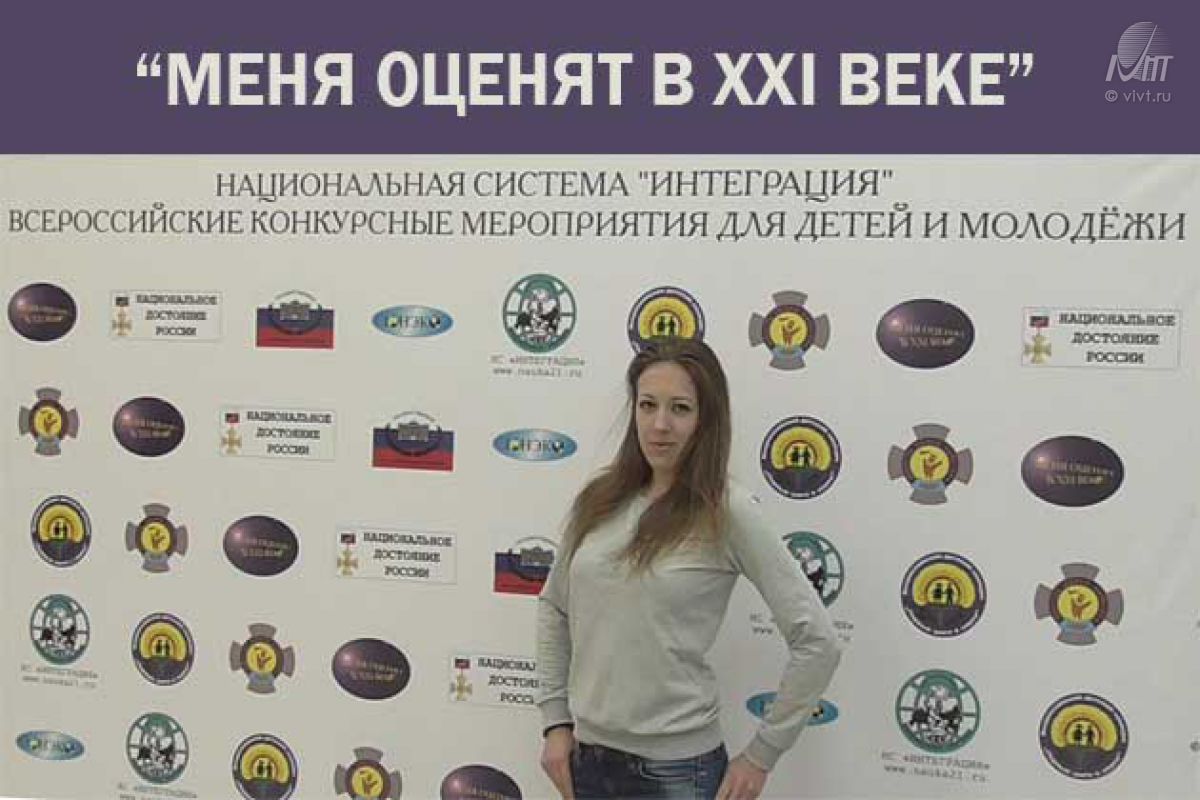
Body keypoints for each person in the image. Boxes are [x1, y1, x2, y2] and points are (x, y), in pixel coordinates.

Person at [535, 338, 842, 800]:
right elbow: (554, 607)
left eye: (680, 408)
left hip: (678, 775)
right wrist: (555, 721)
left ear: (706, 419)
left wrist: (762, 754)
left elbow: (818, 641)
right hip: (588, 764)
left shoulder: (727, 510)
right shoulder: (599, 500)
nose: (660, 425)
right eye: (648, 405)